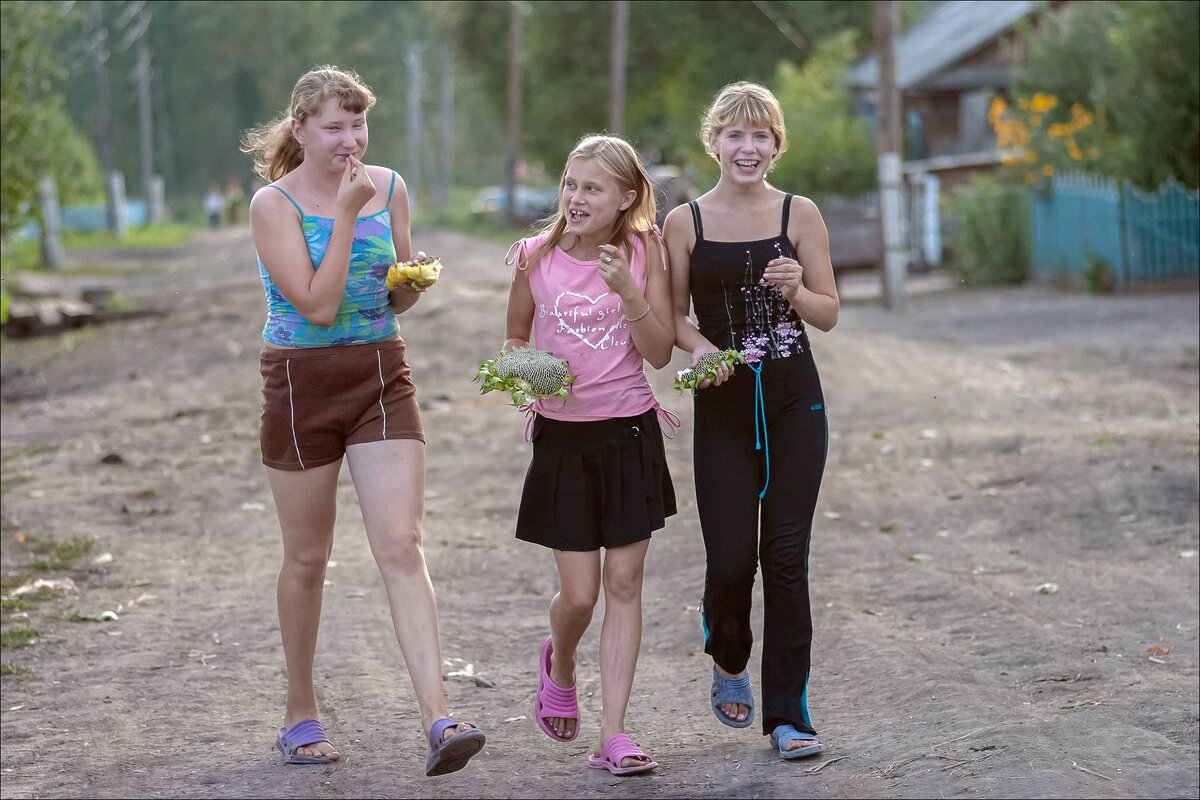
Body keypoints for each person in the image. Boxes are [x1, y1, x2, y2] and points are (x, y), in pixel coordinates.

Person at [240, 65, 485, 776]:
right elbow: (316, 306)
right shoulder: (272, 204)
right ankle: (299, 714)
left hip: (381, 372)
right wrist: (346, 213)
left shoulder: (393, 186)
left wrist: (412, 283)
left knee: (402, 546)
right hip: (299, 382)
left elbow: (394, 291)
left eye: (358, 124)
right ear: (302, 130)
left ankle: (440, 719)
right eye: (334, 127)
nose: (350, 140)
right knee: (309, 560)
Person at [663, 81, 839, 761]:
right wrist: (700, 346)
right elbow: (673, 314)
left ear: (776, 145)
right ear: (714, 142)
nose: (748, 146)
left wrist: (799, 288)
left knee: (786, 557)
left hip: (797, 401)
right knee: (734, 556)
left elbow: (828, 311)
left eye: (761, 134)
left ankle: (789, 716)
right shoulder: (686, 222)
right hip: (725, 408)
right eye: (735, 134)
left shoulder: (801, 213)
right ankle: (728, 652)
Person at [501, 134, 677, 776]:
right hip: (563, 443)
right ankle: (562, 659)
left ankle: (616, 734)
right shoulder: (534, 256)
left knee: (623, 583)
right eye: (571, 185)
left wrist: (630, 293)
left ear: (625, 198)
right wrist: (528, 371)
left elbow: (658, 352)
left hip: (629, 432)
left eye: (592, 188)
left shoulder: (643, 250)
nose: (576, 198)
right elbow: (515, 336)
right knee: (578, 597)